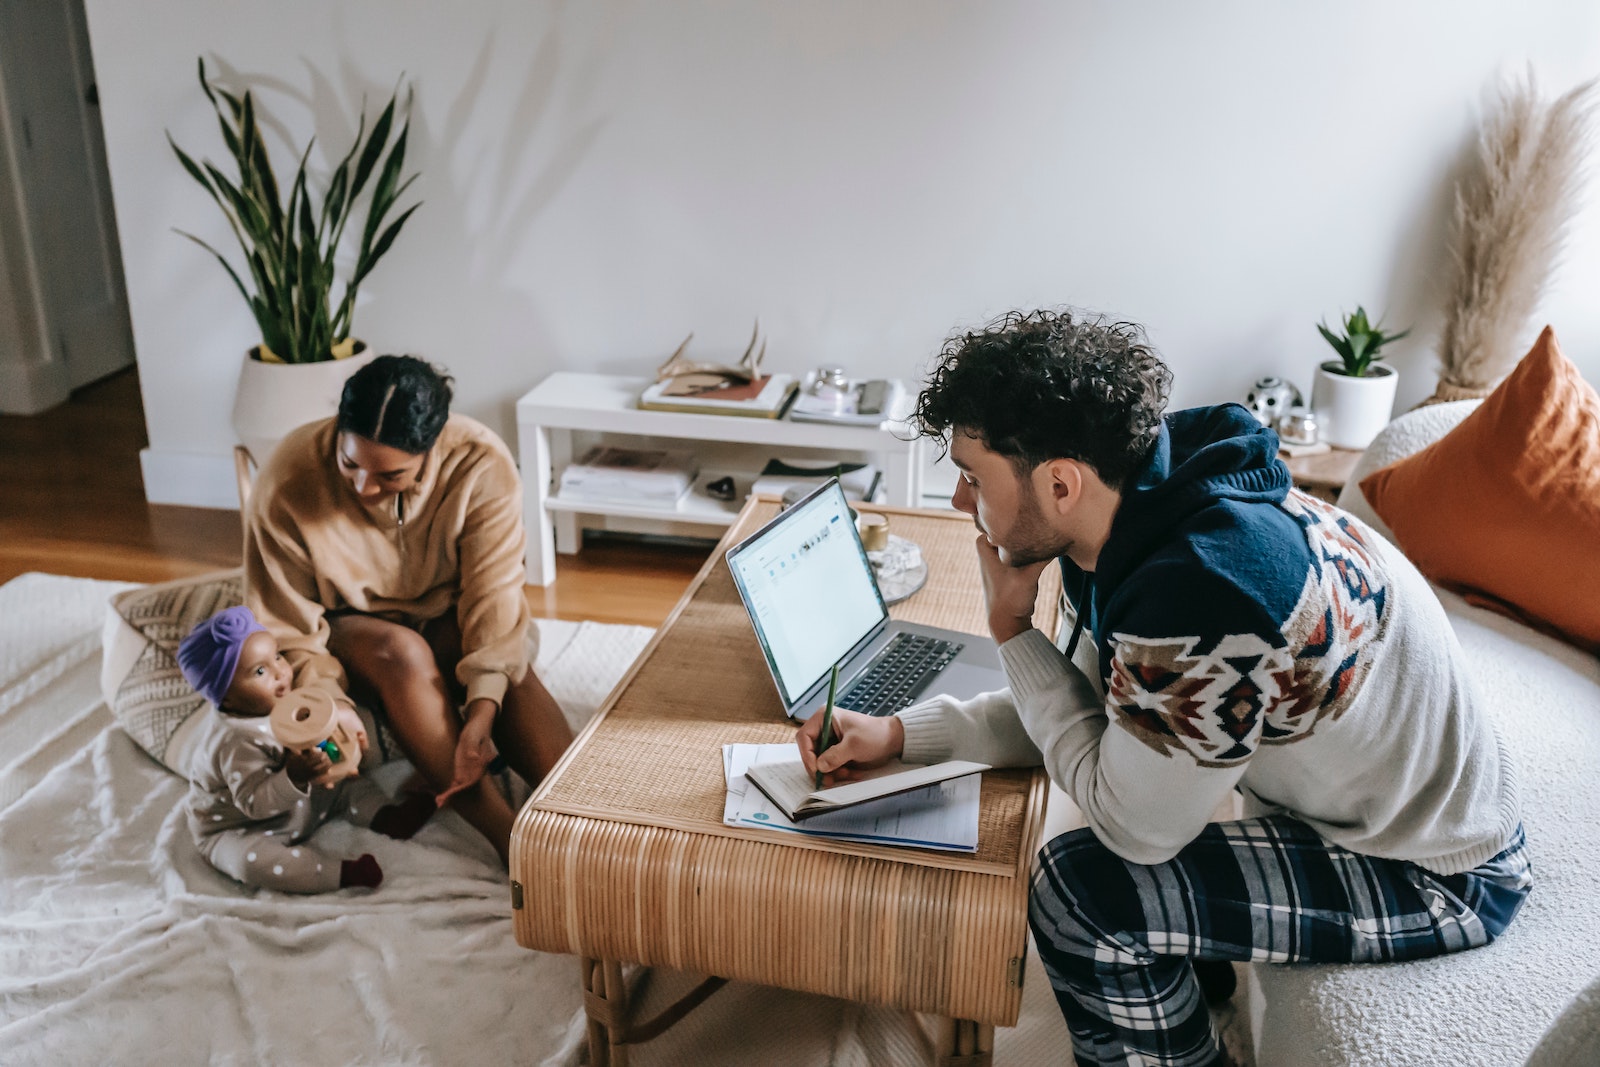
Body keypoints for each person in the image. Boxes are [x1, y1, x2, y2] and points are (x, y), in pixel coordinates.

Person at [796, 310, 1529, 1067]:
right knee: (1141, 824)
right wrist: (902, 735)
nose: (958, 500)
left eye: (972, 477)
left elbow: (1134, 828)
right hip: (1390, 803)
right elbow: (1080, 706)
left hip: (1440, 869)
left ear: (1059, 482)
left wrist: (1013, 629)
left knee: (1079, 892)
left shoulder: (1204, 601)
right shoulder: (1143, 504)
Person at [244, 355, 574, 865]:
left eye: (390, 474)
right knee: (402, 651)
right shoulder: (288, 477)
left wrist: (482, 709)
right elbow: (286, 625)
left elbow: (494, 602)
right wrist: (330, 705)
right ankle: (512, 845)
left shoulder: (481, 464)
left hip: (451, 611)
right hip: (353, 626)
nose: (363, 487)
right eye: (349, 463)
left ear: (431, 450)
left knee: (512, 676)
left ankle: (588, 821)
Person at [177, 606, 437, 893]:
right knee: (251, 863)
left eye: (277, 656)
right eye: (260, 671)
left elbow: (316, 736)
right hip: (247, 826)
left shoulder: (284, 697)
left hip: (300, 802)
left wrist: (338, 755)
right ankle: (339, 873)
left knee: (349, 784)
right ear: (225, 696)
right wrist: (294, 776)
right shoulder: (235, 742)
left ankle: (387, 816)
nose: (281, 673)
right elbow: (254, 803)